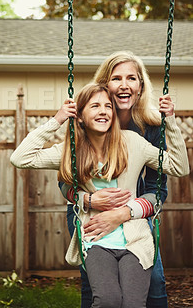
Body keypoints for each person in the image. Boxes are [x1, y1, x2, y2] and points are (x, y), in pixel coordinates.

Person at [10, 83, 189, 308]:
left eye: (107, 106)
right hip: (96, 240)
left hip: (134, 240)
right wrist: (57, 120)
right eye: (95, 106)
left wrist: (170, 120)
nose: (103, 110)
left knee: (134, 303)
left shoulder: (132, 143)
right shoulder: (70, 151)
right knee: (107, 300)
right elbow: (20, 158)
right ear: (81, 116)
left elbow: (180, 167)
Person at [59, 51, 170, 308]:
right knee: (98, 288)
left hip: (136, 215)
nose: (124, 85)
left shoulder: (151, 129)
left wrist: (124, 213)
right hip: (89, 213)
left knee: (154, 283)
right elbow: (65, 181)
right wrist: (87, 199)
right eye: (116, 78)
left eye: (132, 78)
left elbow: (157, 188)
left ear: (141, 87)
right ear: (104, 86)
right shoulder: (86, 124)